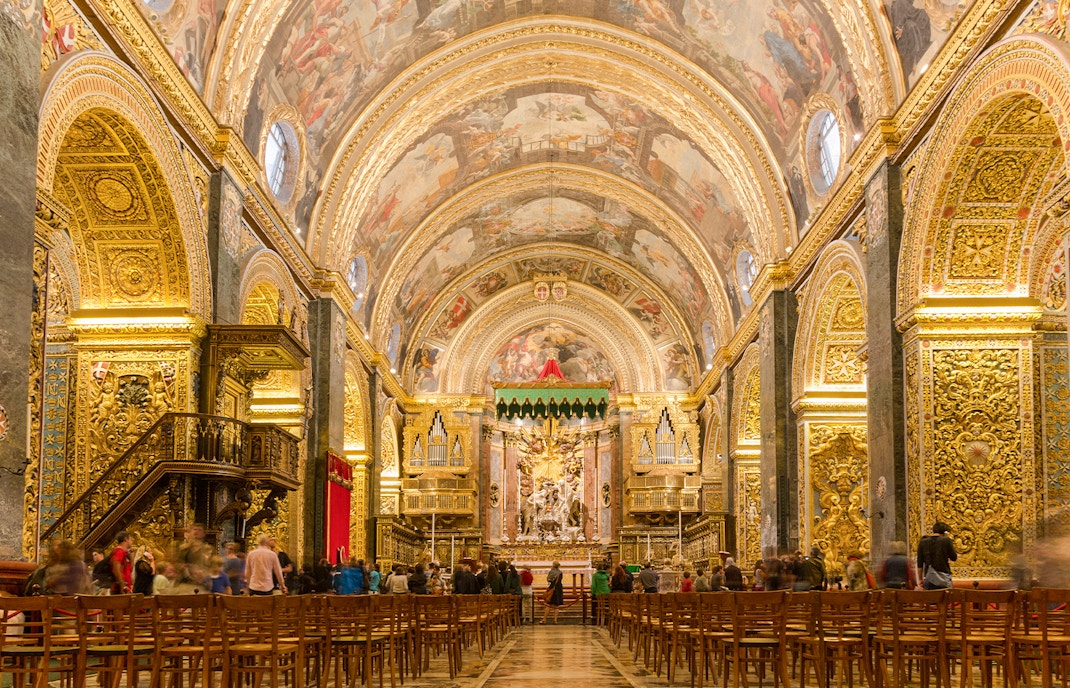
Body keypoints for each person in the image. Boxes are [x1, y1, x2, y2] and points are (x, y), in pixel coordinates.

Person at [918, 521, 957, 589]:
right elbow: (954, 557)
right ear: (945, 532)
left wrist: (920, 579)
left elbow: (920, 563)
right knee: (946, 598)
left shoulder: (923, 542)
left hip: (929, 577)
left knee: (930, 598)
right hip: (944, 576)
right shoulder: (946, 540)